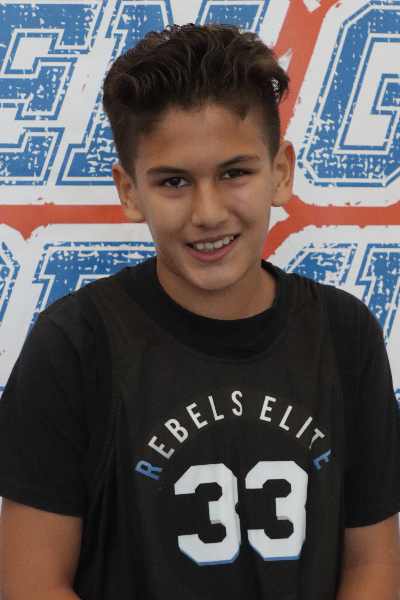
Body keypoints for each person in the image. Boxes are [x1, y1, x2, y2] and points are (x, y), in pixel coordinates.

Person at [0, 23, 399, 600]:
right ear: (130, 191)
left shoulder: (344, 332)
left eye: (235, 173)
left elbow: (372, 563)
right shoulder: (75, 343)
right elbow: (30, 581)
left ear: (280, 172)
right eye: (174, 181)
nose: (208, 212)